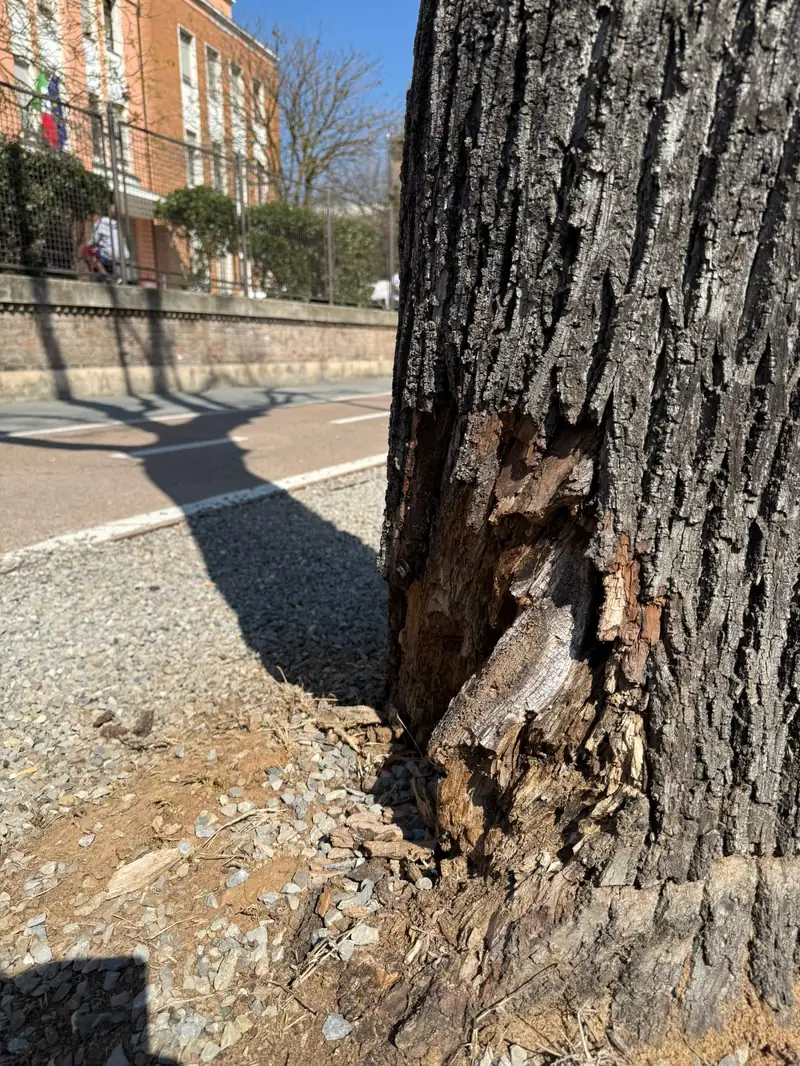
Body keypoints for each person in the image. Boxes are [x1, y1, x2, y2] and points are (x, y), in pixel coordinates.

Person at [90, 205, 129, 281]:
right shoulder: (118, 225)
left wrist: (89, 245)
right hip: (122, 255)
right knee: (107, 255)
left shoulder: (101, 222)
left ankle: (106, 276)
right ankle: (116, 278)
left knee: (91, 251)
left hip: (109, 254)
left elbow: (94, 239)